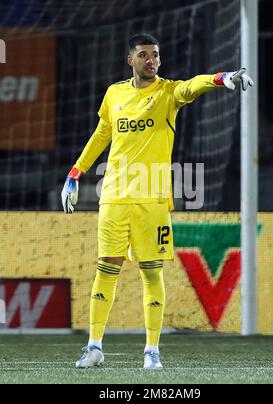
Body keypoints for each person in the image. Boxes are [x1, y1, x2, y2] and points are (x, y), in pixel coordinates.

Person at [61, 33, 253, 369]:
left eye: (156, 55)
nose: (151, 60)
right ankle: (94, 347)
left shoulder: (167, 93)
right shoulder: (114, 94)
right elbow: (102, 135)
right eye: (144, 55)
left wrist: (220, 78)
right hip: (114, 197)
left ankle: (152, 350)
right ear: (130, 60)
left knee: (152, 272)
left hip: (152, 200)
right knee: (106, 268)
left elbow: (191, 87)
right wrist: (75, 173)